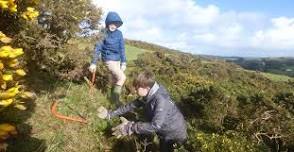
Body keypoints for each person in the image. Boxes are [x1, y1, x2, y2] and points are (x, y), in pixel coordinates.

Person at [97, 71, 187, 152]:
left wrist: (130, 128)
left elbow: (155, 125)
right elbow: (130, 106)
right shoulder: (148, 95)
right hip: (163, 130)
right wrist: (111, 114)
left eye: (137, 89)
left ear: (146, 88)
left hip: (174, 134)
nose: (135, 91)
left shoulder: (160, 100)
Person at [89, 11, 126, 107]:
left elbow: (122, 48)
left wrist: (124, 62)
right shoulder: (103, 32)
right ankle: (115, 100)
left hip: (117, 59)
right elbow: (98, 48)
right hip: (108, 59)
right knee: (122, 78)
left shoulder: (119, 34)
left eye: (116, 24)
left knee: (115, 80)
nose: (114, 25)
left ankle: (111, 100)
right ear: (108, 22)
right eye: (112, 23)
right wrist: (93, 63)